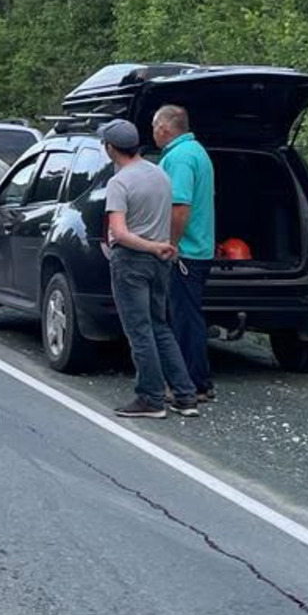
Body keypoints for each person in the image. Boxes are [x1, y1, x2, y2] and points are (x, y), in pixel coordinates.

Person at [99, 119, 197, 418]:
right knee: (159, 325)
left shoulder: (119, 183)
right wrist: (162, 246)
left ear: (111, 148)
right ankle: (185, 395)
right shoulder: (160, 174)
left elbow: (120, 233)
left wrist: (150, 246)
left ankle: (150, 398)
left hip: (132, 260)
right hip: (161, 261)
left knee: (139, 330)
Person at [154, 104, 217, 403]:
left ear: (164, 128)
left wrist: (170, 245)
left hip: (186, 252)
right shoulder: (195, 151)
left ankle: (193, 384)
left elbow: (179, 206)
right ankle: (197, 380)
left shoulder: (180, 158)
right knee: (186, 316)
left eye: (154, 127)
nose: (153, 133)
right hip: (198, 247)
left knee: (184, 319)